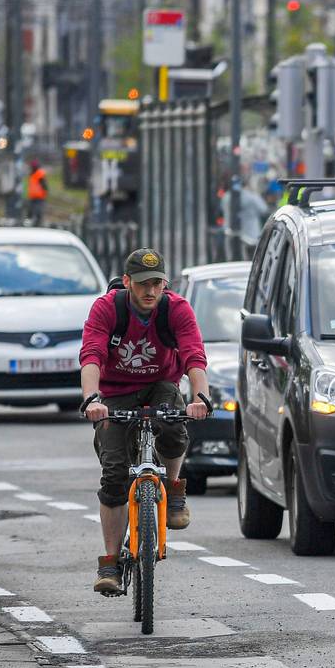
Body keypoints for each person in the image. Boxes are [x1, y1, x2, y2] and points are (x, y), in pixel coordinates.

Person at [79, 248, 210, 597]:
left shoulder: (176, 308)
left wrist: (200, 398)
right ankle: (109, 562)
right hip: (114, 393)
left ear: (165, 283)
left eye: (156, 283)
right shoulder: (107, 308)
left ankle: (174, 487)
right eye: (141, 284)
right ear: (126, 283)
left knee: (173, 426)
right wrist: (92, 399)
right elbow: (91, 355)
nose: (149, 291)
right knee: (115, 473)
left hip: (160, 385)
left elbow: (194, 355)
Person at [25, 159, 47, 226]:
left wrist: (45, 192)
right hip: (32, 196)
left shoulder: (39, 174)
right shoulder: (31, 174)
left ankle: (38, 224)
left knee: (38, 211)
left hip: (39, 197)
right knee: (30, 211)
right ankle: (27, 224)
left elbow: (44, 185)